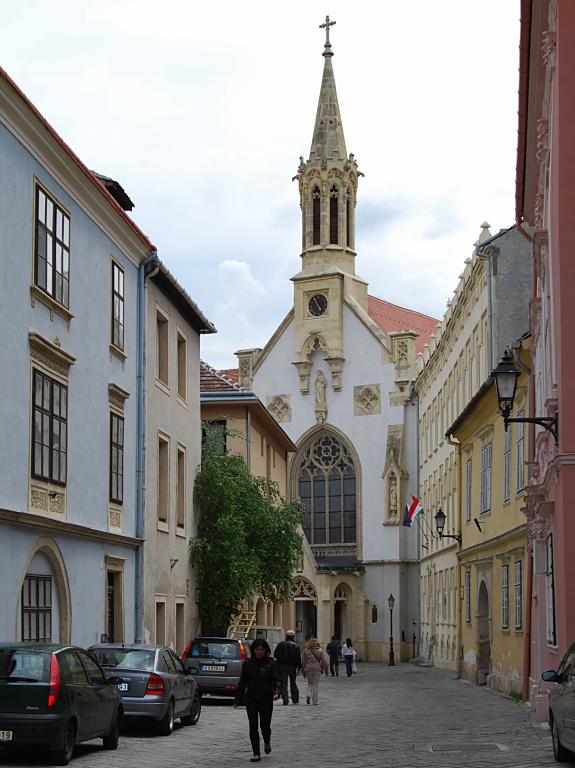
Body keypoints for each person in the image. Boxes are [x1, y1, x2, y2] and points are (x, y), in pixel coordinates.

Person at [234, 639, 282, 763]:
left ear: (265, 651)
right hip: (251, 697)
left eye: (261, 650)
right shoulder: (248, 663)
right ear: (253, 650)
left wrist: (277, 691)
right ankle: (256, 752)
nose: (259, 652)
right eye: (257, 650)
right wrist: (238, 699)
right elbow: (242, 681)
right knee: (253, 725)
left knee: (265, 725)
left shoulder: (272, 663)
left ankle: (267, 741)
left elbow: (277, 678)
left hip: (266, 696)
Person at [273, 629, 301, 705]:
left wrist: (280, 659)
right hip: (292, 666)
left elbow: (275, 654)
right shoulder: (295, 645)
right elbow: (298, 658)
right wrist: (299, 667)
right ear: (293, 637)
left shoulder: (281, 644)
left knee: (284, 682)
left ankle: (285, 699)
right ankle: (295, 699)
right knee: (293, 682)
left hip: (282, 666)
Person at [301, 637, 328, 705]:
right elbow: (323, 661)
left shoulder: (305, 650)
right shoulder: (320, 651)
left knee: (310, 683)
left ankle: (308, 694)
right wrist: (326, 671)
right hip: (317, 669)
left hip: (308, 669)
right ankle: (315, 701)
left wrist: (303, 670)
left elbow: (303, 662)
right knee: (316, 685)